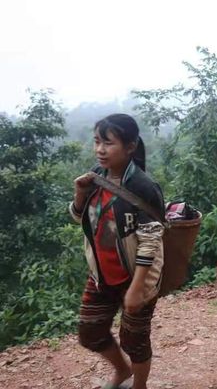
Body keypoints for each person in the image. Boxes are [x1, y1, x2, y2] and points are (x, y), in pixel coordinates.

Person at [70, 114, 165, 389]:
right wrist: (80, 194)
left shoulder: (143, 187)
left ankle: (140, 385)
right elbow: (80, 218)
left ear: (130, 146)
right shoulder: (96, 177)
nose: (100, 149)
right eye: (97, 142)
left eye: (108, 143)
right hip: (102, 274)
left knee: (135, 340)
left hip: (137, 275)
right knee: (90, 331)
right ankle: (123, 371)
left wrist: (137, 288)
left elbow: (151, 239)